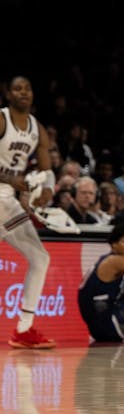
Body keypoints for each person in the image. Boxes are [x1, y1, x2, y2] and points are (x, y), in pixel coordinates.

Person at [1, 76, 57, 349]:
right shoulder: (1, 120)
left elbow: (46, 170)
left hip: (7, 199)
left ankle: (24, 329)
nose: (24, 92)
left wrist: (47, 189)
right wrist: (10, 180)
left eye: (28, 88)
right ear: (7, 94)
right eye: (17, 88)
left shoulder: (38, 129)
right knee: (39, 257)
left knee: (40, 257)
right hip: (2, 193)